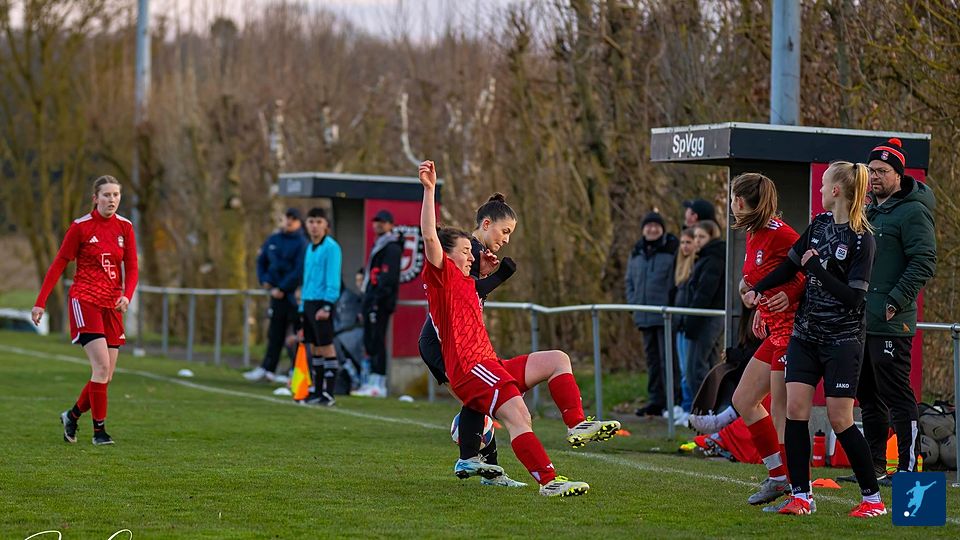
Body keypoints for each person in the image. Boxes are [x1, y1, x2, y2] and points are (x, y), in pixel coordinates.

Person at [418, 159, 620, 497]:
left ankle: (576, 424)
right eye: (466, 251)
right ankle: (549, 482)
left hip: (489, 364)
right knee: (518, 415)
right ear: (446, 256)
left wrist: (489, 275)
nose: (472, 256)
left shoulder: (467, 282)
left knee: (558, 359)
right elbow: (429, 235)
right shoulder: (442, 277)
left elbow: (475, 288)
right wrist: (429, 190)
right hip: (471, 369)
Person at [746, 161, 885, 518]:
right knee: (795, 411)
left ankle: (873, 500)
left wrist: (817, 270)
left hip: (842, 340)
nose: (820, 191)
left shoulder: (862, 239)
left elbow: (854, 298)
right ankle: (801, 496)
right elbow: (790, 266)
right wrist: (758, 288)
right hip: (805, 335)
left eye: (824, 185)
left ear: (836, 191)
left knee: (840, 419)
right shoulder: (820, 225)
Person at [839, 138, 937, 485]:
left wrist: (895, 300)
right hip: (861, 319)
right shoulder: (868, 211)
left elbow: (924, 261)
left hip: (892, 321)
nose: (875, 176)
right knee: (867, 396)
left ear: (899, 174)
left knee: (897, 395)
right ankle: (874, 466)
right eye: (872, 171)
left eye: (882, 171)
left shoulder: (913, 211)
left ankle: (909, 468)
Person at [419, 192, 525, 487]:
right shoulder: (467, 251)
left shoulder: (475, 252)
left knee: (480, 402)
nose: (506, 239)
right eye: (504, 231)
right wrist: (500, 276)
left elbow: (471, 297)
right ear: (487, 224)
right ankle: (475, 459)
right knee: (479, 400)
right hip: (442, 343)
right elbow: (470, 291)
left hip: (451, 343)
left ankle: (485, 465)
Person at [32, 175, 138, 446]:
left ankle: (72, 416)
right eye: (106, 195)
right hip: (85, 300)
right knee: (101, 367)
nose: (112, 199)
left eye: (116, 195)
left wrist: (126, 296)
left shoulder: (125, 227)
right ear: (95, 198)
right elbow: (59, 263)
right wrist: (40, 302)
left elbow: (132, 267)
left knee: (106, 375)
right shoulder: (81, 227)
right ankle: (99, 432)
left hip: (112, 305)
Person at [728, 173, 805, 509]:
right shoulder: (753, 233)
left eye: (733, 198)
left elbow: (809, 273)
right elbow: (757, 279)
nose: (731, 205)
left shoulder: (782, 234)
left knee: (781, 412)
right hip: (775, 330)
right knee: (744, 399)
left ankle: (797, 489)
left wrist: (790, 297)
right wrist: (757, 302)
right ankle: (778, 476)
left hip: (794, 333)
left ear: (742, 201)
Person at [626, 211, 680, 417]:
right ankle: (655, 401)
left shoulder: (671, 249)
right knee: (652, 361)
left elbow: (676, 281)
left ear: (662, 229)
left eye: (656, 226)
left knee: (669, 361)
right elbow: (629, 281)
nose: (652, 229)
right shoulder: (636, 252)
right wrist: (634, 305)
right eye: (648, 226)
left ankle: (673, 402)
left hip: (665, 316)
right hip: (644, 315)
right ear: (643, 229)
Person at [245, 208, 307, 383]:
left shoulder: (302, 243)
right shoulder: (274, 239)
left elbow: (298, 270)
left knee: (297, 335)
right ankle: (268, 368)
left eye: (293, 219)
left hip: (293, 296)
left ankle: (297, 370)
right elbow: (262, 261)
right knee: (274, 333)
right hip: (275, 294)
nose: (289, 222)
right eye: (288, 218)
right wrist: (265, 280)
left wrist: (283, 288)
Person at [353, 210, 403, 397]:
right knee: (370, 340)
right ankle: (371, 380)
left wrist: (375, 300)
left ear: (391, 224)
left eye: (383, 221)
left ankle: (379, 383)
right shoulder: (380, 243)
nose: (378, 224)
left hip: (380, 302)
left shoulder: (392, 247)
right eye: (376, 221)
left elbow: (387, 278)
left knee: (377, 339)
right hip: (371, 299)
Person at [298, 208, 342, 406]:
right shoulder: (309, 247)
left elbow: (333, 277)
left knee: (326, 346)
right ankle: (317, 391)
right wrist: (302, 308)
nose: (314, 226)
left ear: (326, 225)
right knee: (314, 347)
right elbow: (307, 279)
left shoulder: (331, 247)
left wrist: (327, 305)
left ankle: (329, 393)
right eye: (311, 221)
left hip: (322, 303)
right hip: (308, 302)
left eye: (318, 222)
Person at [683, 220, 725, 411]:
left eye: (702, 236)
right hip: (706, 317)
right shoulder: (707, 257)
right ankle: (709, 410)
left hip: (706, 318)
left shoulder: (713, 259)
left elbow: (704, 293)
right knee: (707, 365)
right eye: (696, 237)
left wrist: (691, 320)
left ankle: (703, 411)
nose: (697, 240)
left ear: (711, 237)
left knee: (695, 368)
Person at [672, 228, 697, 424]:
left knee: (689, 369)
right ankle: (684, 405)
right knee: (682, 369)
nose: (685, 246)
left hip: (690, 323)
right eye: (682, 242)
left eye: (689, 242)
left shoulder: (695, 266)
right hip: (680, 323)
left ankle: (690, 407)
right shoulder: (680, 266)